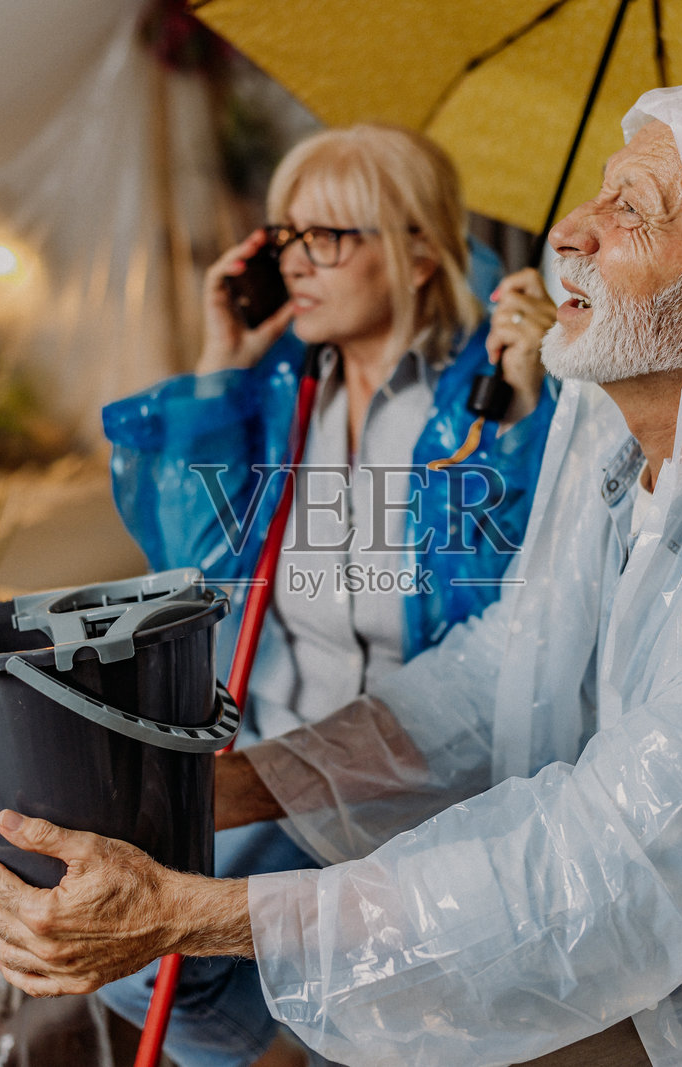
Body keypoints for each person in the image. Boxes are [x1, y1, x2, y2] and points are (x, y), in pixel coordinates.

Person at [0, 42, 682, 1066]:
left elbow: (606, 867)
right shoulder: (612, 433)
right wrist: (237, 781)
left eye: (631, 213)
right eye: (591, 196)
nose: (570, 233)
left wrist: (187, 908)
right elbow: (494, 668)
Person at [96, 123, 559, 1066]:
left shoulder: (494, 392)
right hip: (280, 753)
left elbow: (520, 616)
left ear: (420, 251)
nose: (296, 263)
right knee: (135, 952)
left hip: (423, 779)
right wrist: (222, 360)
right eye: (285, 237)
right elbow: (195, 571)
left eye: (328, 239)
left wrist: (522, 418)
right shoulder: (279, 388)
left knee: (357, 997)